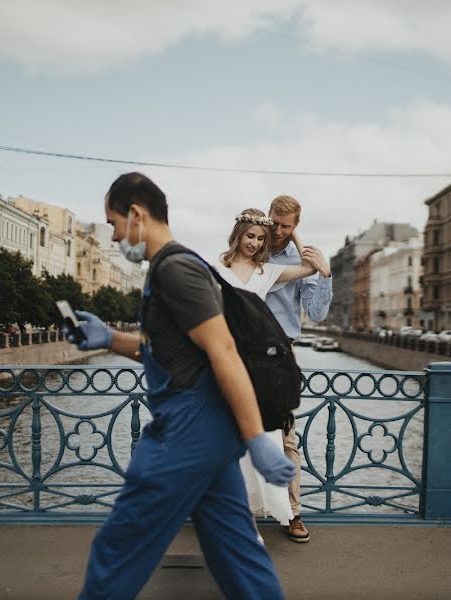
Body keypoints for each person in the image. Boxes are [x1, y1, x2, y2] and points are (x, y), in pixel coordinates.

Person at [67, 172, 294, 600]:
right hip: (208, 434)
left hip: (185, 433)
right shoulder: (172, 268)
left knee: (116, 551)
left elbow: (223, 351)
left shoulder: (176, 271)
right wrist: (109, 339)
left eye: (115, 224)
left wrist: (257, 440)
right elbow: (173, 353)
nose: (115, 238)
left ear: (137, 215)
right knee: (238, 556)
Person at [212, 208, 321, 538]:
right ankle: (238, 515)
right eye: (250, 236)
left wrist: (295, 235)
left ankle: (283, 511)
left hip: (258, 364)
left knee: (270, 438)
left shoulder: (266, 271)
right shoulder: (217, 267)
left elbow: (307, 268)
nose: (255, 243)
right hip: (226, 359)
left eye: (261, 238)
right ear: (239, 234)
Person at [265, 194, 333, 544]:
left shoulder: (302, 257)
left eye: (285, 226)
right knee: (232, 431)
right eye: (273, 222)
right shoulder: (252, 246)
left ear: (295, 226)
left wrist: (324, 272)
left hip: (279, 355)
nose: (277, 231)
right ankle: (231, 512)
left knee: (285, 437)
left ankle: (293, 513)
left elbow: (317, 313)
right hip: (241, 353)